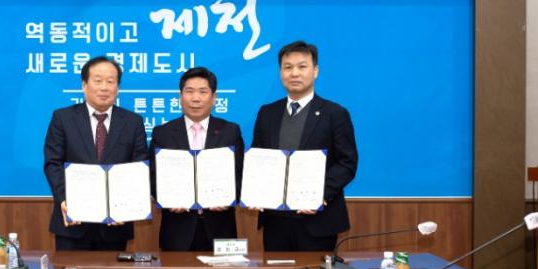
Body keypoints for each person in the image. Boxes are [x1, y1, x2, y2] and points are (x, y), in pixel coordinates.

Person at [251, 40, 358, 251]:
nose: (294, 73)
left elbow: (347, 163)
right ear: (280, 73)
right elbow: (257, 159)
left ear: (315, 71)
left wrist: (320, 195)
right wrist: (255, 191)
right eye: (288, 67)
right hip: (275, 220)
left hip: (318, 221)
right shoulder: (267, 113)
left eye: (302, 66)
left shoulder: (335, 113)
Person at [44, 56, 148, 251]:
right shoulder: (63, 118)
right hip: (73, 223)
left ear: (117, 87)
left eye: (110, 81)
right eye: (98, 81)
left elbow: (139, 167)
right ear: (84, 85)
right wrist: (65, 200)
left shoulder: (133, 122)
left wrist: (125, 206)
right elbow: (53, 163)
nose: (104, 87)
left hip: (115, 224)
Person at [150, 67, 244, 251]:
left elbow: (240, 174)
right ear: (180, 96)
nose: (195, 98)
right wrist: (167, 199)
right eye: (189, 91)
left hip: (221, 228)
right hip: (177, 229)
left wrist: (230, 197)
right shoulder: (163, 133)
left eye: (203, 92)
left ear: (214, 97)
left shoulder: (230, 132)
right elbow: (153, 176)